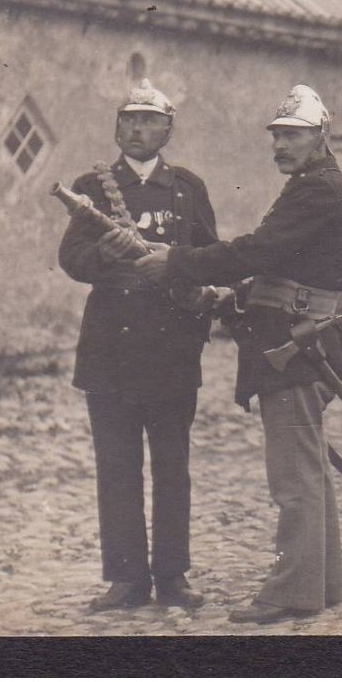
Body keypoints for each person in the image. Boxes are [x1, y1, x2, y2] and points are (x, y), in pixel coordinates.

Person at [138, 84, 342, 625]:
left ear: (321, 137)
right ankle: (321, 584)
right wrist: (236, 293)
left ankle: (291, 591)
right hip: (291, 330)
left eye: (293, 137)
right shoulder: (316, 184)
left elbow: (260, 250)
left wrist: (177, 262)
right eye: (277, 136)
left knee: (293, 475)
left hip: (291, 341)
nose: (281, 146)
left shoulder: (317, 190)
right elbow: (283, 264)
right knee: (308, 467)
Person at [56, 80, 218, 612]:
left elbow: (210, 257)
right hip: (112, 346)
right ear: (117, 127)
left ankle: (173, 576)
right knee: (117, 465)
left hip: (171, 343)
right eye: (129, 120)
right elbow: (73, 260)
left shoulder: (188, 187)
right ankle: (126, 579)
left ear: (167, 129)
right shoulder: (93, 186)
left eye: (150, 121)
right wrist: (102, 252)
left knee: (173, 466)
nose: (138, 129)